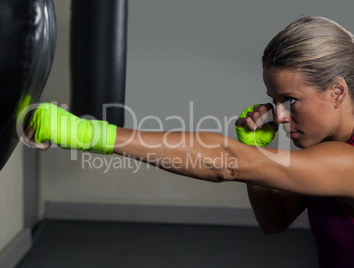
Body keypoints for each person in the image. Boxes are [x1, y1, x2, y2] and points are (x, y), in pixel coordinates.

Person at [24, 15, 354, 267]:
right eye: (274, 100)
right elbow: (274, 222)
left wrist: (86, 134)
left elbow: (228, 161)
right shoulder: (323, 154)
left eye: (291, 100)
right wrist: (256, 150)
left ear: (337, 91)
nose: (279, 116)